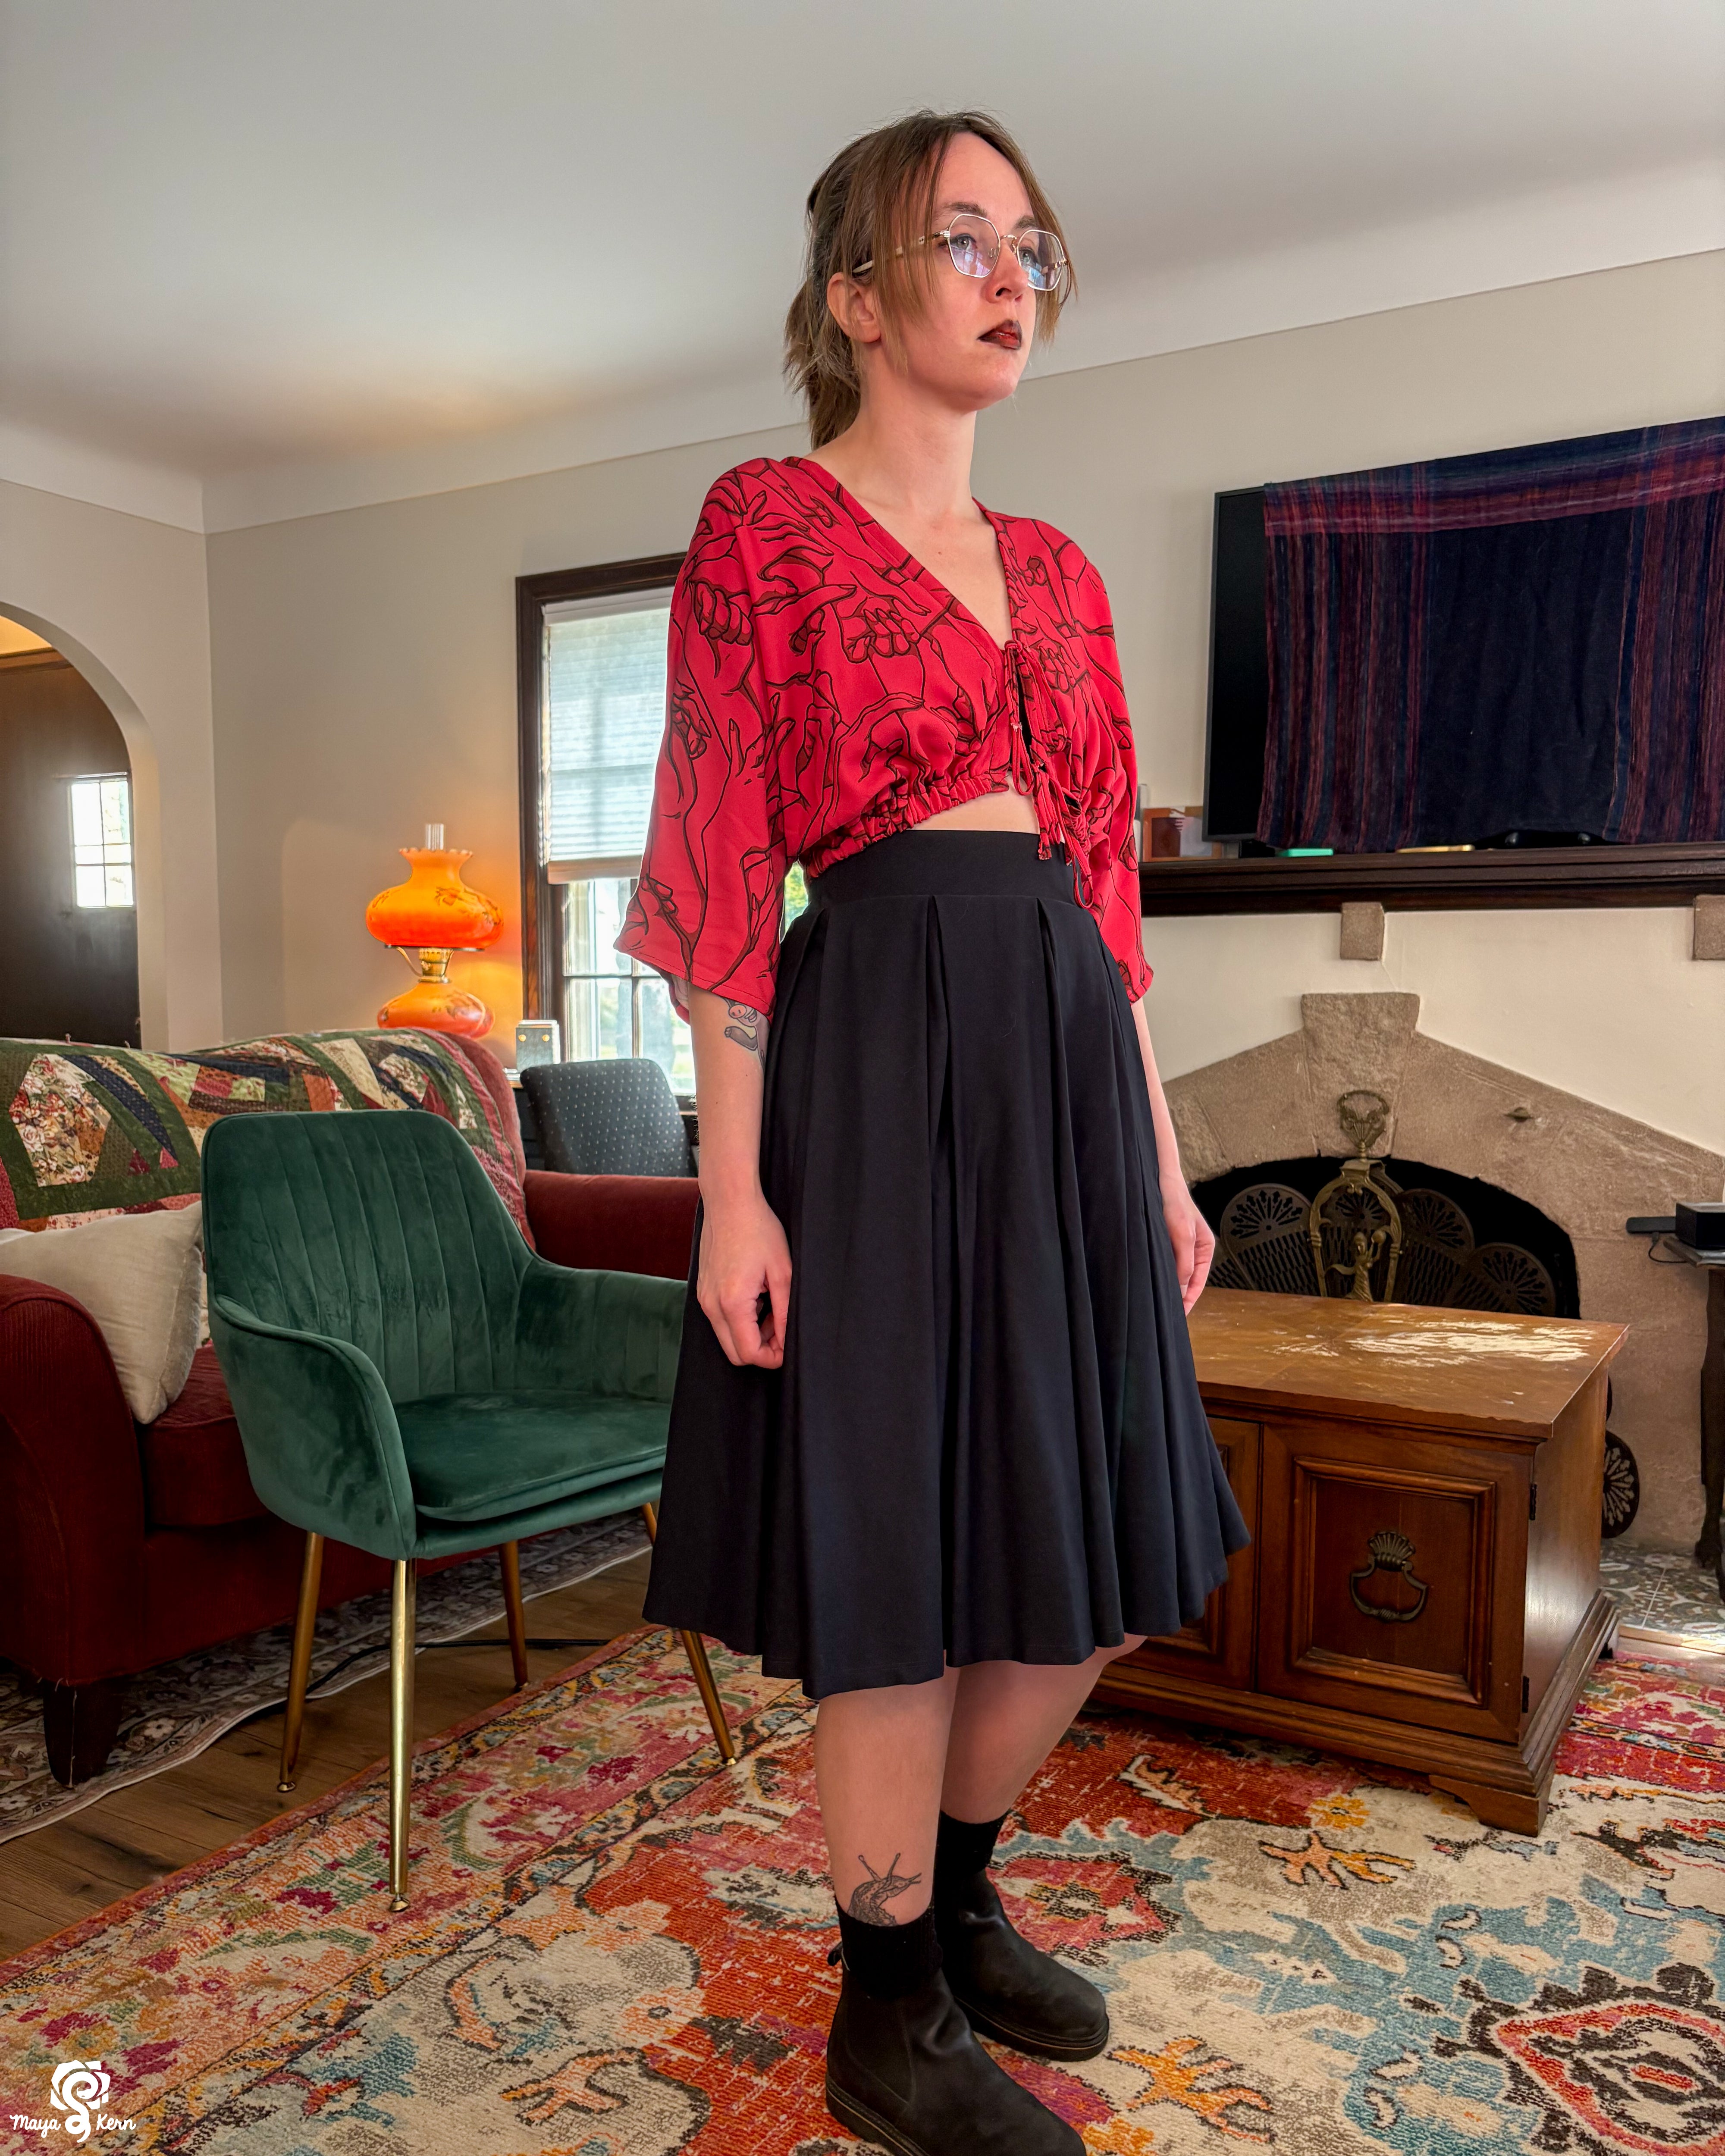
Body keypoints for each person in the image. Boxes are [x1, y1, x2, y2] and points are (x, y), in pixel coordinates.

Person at [616, 107, 1248, 2156]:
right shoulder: (764, 523)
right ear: (858, 297)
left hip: (1061, 1047)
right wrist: (730, 1189)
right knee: (895, 1539)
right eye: (962, 239)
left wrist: (1160, 1165)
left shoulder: (1060, 572)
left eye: (1027, 244)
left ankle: (956, 1899)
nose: (1009, 276)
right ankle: (885, 2007)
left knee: (1107, 1539)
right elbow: (722, 862)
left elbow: (1108, 900)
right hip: (873, 1044)